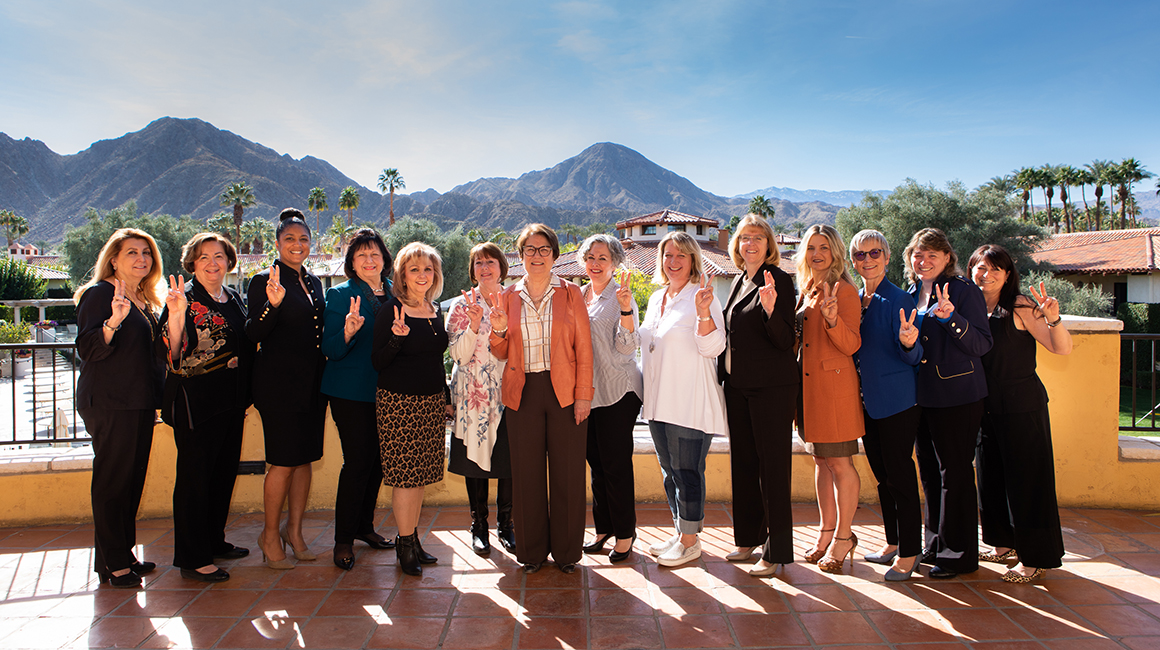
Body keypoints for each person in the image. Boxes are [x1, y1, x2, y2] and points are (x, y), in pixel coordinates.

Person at [490, 223, 594, 574]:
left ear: (555, 255)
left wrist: (583, 396)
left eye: (543, 249)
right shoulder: (506, 296)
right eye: (529, 250)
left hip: (564, 391)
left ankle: (567, 553)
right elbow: (500, 351)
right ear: (520, 256)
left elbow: (585, 350)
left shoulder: (571, 294)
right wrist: (500, 328)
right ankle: (532, 552)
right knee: (526, 474)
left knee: (567, 473)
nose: (537, 256)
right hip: (523, 393)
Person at [970, 244, 1071, 583]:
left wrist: (1054, 318)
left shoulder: (1021, 306)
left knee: (1028, 482)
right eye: (980, 267)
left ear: (1008, 274)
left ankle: (1035, 557)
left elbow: (1060, 347)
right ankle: (1003, 545)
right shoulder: (971, 307)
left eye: (995, 268)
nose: (987, 274)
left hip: (1021, 405)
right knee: (991, 477)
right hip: (985, 406)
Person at [74, 228, 166, 588]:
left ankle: (120, 554)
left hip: (139, 402)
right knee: (113, 482)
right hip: (112, 402)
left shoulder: (143, 299)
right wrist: (113, 321)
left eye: (146, 252)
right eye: (132, 252)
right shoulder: (101, 294)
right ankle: (114, 563)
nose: (141, 258)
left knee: (130, 481)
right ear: (113, 258)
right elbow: (89, 348)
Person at [160, 233, 254, 583]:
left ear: (229, 261)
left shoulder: (233, 298)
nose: (212, 263)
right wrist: (174, 315)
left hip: (231, 403)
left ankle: (214, 541)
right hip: (195, 405)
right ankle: (193, 557)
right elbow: (171, 351)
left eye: (219, 256)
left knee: (222, 475)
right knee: (195, 480)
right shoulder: (181, 298)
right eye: (203, 258)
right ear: (192, 264)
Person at [904, 228, 993, 579]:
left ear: (947, 259)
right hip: (921, 396)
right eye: (918, 255)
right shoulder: (911, 293)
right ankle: (936, 542)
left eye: (932, 256)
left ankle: (958, 554)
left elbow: (981, 344)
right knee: (929, 472)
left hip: (958, 397)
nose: (923, 261)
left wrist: (951, 318)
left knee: (954, 473)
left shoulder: (963, 290)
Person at [639, 231, 727, 568]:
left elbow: (712, 348)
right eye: (667, 255)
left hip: (690, 402)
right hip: (659, 401)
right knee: (670, 472)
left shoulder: (702, 297)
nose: (673, 262)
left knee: (687, 471)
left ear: (693, 261)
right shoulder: (658, 297)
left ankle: (691, 542)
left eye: (681, 256)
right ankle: (681, 533)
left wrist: (704, 312)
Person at [246, 208, 327, 570]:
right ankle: (268, 534)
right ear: (277, 243)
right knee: (282, 462)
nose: (298, 245)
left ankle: (293, 532)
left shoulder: (314, 283)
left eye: (304, 239)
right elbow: (254, 333)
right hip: (278, 386)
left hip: (312, 384)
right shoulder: (262, 279)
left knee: (304, 460)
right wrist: (273, 305)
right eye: (290, 239)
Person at [717, 215, 797, 576]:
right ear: (736, 244)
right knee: (745, 465)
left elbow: (784, 340)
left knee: (773, 470)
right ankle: (748, 538)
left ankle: (777, 550)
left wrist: (768, 310)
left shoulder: (778, 279)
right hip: (738, 387)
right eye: (744, 238)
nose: (750, 244)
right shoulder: (737, 281)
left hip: (770, 390)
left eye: (758, 238)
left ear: (769, 245)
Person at [372, 242, 452, 576]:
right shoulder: (391, 310)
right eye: (414, 269)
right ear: (402, 274)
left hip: (431, 402)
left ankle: (412, 538)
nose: (422, 275)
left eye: (428, 269)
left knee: (419, 476)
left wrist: (445, 396)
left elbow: (435, 360)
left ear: (436, 275)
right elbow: (378, 362)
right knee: (405, 478)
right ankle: (404, 546)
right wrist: (396, 338)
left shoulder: (435, 310)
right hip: (398, 403)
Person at [848, 229, 923, 582]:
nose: (867, 260)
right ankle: (893, 542)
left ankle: (910, 551)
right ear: (853, 261)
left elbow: (915, 355)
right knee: (883, 478)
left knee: (900, 476)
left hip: (896, 402)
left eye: (874, 253)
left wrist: (909, 343)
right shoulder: (856, 298)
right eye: (860, 255)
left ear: (887, 257)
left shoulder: (899, 300)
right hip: (866, 403)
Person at [321, 229, 396, 571]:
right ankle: (343, 540)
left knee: (380, 463)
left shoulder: (399, 293)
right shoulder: (339, 295)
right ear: (352, 261)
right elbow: (330, 349)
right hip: (350, 393)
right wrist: (348, 331)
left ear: (385, 259)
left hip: (390, 392)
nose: (369, 260)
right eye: (362, 255)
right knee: (358, 463)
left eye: (375, 254)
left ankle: (365, 527)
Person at [794, 224, 864, 574]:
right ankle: (825, 533)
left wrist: (833, 320)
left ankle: (844, 537)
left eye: (824, 247)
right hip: (809, 392)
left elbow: (851, 345)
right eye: (811, 248)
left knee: (840, 464)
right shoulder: (806, 288)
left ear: (835, 252)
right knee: (822, 463)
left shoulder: (844, 291)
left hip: (833, 392)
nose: (817, 253)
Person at [446, 242, 515, 556]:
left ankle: (507, 524)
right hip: (473, 398)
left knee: (508, 461)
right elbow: (459, 356)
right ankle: (479, 527)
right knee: (475, 462)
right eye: (478, 263)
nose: (485, 268)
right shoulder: (461, 305)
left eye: (490, 262)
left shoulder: (516, 300)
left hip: (509, 392)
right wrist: (473, 325)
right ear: (472, 269)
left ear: (502, 266)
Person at [577, 234, 643, 564]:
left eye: (602, 257)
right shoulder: (581, 296)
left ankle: (625, 534)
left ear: (615, 262)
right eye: (590, 256)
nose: (595, 263)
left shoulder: (621, 296)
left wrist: (628, 308)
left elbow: (627, 348)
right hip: (590, 393)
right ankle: (603, 529)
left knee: (615, 465)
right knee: (597, 464)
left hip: (619, 390)